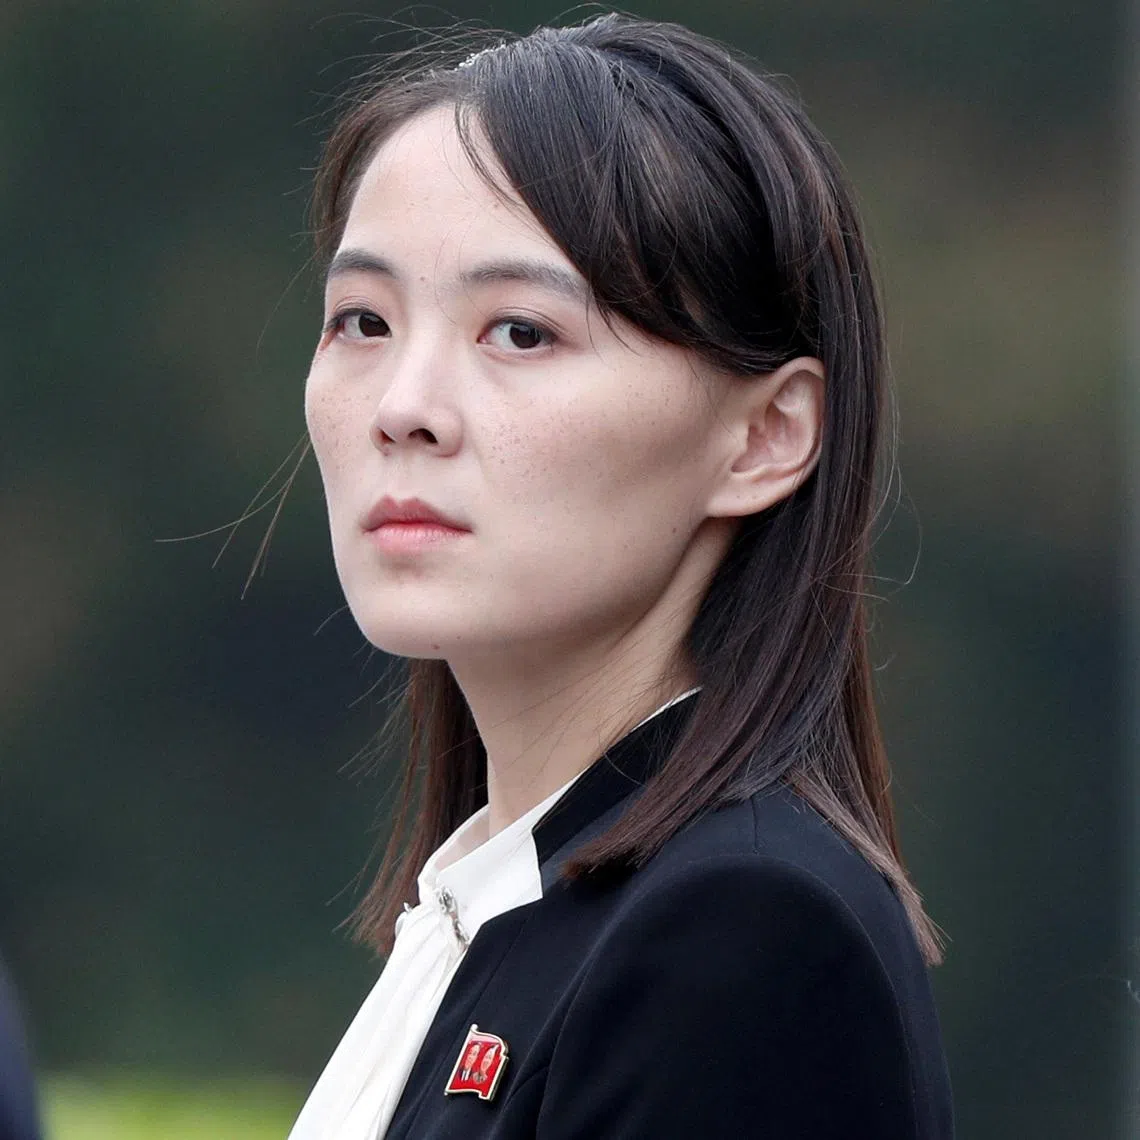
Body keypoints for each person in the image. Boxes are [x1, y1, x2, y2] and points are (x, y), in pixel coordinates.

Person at [288, 12, 954, 1139]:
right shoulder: (501, 911)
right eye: (362, 320)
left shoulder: (740, 933)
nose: (403, 408)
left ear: (764, 436)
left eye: (521, 333)